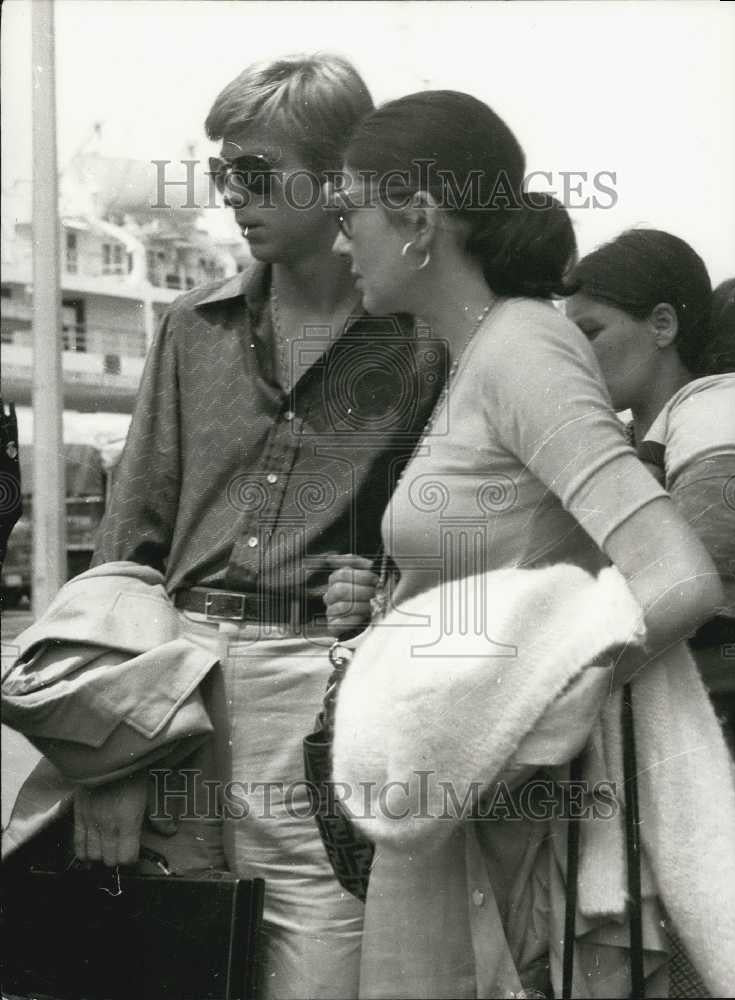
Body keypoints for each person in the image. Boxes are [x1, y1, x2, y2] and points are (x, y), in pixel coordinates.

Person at [323, 91, 725, 997]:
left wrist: (509, 739)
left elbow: (675, 576)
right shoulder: (476, 354)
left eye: (349, 213)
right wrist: (389, 607)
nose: (341, 241)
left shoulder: (524, 350)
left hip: (504, 824)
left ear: (418, 216)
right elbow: (520, 563)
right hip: (453, 825)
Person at [73, 54, 448, 1000]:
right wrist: (111, 751)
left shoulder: (421, 344)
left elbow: (447, 534)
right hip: (177, 676)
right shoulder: (187, 326)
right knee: (160, 963)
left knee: (318, 967)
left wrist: (385, 589)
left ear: (338, 181)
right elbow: (126, 548)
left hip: (322, 689)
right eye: (222, 174)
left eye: (258, 173)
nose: (235, 196)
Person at [565, 238, 735, 758]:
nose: (573, 356)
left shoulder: (716, 407)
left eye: (589, 332)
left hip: (719, 716)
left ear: (662, 324)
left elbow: (701, 572)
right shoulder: (621, 443)